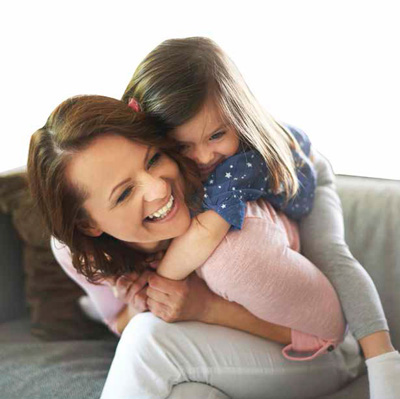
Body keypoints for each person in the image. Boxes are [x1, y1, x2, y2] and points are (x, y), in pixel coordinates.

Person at [29, 95, 363, 399]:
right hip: (217, 361)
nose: (158, 189)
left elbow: (331, 332)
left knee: (149, 340)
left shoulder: (233, 241)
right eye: (124, 193)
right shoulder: (81, 252)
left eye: (153, 159)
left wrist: (204, 307)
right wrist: (144, 300)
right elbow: (119, 320)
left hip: (324, 356)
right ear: (89, 225)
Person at [119, 37, 399, 398]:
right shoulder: (178, 166)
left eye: (216, 135)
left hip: (304, 173)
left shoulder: (240, 164)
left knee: (329, 253)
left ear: (239, 118)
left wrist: (159, 284)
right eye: (183, 146)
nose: (204, 156)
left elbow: (206, 233)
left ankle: (383, 358)